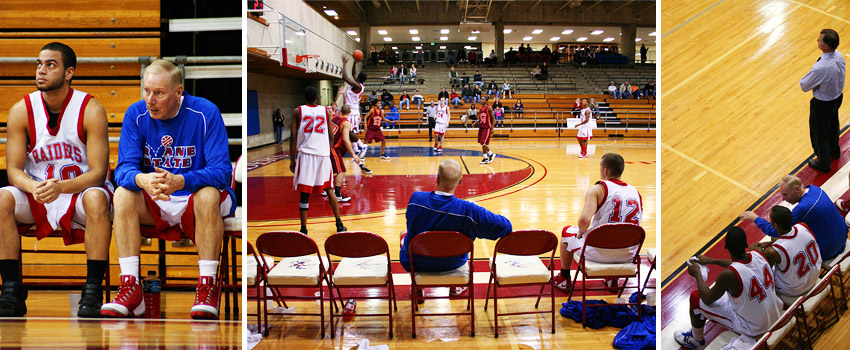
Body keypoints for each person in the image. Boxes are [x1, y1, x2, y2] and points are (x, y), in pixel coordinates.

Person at [105, 59, 238, 319]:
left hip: (196, 197)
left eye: (158, 93)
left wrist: (182, 181)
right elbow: (122, 170)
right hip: (157, 198)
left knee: (209, 193)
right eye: (146, 91)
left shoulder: (205, 112)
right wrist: (142, 180)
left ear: (178, 92)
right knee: (121, 194)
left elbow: (222, 172)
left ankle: (206, 286)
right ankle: (130, 286)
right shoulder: (136, 114)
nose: (149, 100)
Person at [0, 42, 112, 318]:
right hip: (38, 191)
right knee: (1, 197)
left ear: (69, 72)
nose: (41, 70)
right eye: (39, 64)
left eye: (51, 65)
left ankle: (93, 290)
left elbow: (98, 173)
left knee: (98, 197)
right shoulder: (20, 110)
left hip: (79, 192)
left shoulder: (90, 109)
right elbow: (13, 170)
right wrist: (32, 186)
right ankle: (12, 289)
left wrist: (62, 187)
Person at [400, 159, 511, 297]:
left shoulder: (416, 199)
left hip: (417, 262)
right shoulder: (469, 210)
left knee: (404, 233)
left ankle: (416, 286)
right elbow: (505, 227)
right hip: (453, 264)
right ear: (460, 181)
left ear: (437, 178)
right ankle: (455, 285)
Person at [674, 228, 782, 349]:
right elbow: (738, 264)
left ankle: (696, 340)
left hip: (755, 328)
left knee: (695, 298)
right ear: (746, 244)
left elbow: (707, 298)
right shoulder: (758, 253)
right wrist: (711, 261)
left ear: (727, 248)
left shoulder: (728, 275)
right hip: (776, 315)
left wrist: (697, 273)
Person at [553, 153, 643, 291]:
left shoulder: (598, 189)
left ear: (605, 170)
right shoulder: (635, 192)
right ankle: (613, 279)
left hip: (599, 251)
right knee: (617, 234)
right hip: (628, 254)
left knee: (567, 232)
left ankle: (564, 278)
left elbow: (584, 220)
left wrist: (580, 233)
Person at [740, 175, 847, 262]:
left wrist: (755, 218)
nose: (783, 199)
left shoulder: (802, 208)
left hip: (829, 250)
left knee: (776, 248)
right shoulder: (815, 189)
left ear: (797, 189)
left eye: (785, 195)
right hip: (843, 235)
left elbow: (775, 231)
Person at [747, 206, 821, 305]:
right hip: (815, 275)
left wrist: (754, 252)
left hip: (796, 290)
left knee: (758, 279)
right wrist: (771, 243)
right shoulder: (802, 226)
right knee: (774, 239)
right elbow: (794, 242)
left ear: (775, 225)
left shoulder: (773, 251)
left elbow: (764, 272)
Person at [801, 29, 845, 172]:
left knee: (819, 133)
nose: (817, 41)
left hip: (823, 104)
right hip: (837, 98)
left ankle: (823, 163)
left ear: (826, 46)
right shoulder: (839, 56)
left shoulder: (821, 67)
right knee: (833, 126)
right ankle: (834, 150)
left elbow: (804, 85)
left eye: (820, 40)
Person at [341, 55, 371, 173]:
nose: (356, 75)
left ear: (359, 79)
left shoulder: (357, 86)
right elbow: (353, 73)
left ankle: (362, 146)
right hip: (352, 111)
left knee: (349, 132)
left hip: (352, 112)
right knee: (349, 132)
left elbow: (345, 77)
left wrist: (344, 63)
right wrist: (354, 62)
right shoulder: (359, 84)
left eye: (357, 76)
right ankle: (356, 152)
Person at [328, 105, 362, 203]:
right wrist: (353, 154)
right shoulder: (346, 123)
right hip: (333, 148)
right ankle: (337, 194)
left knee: (329, 169)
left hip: (327, 146)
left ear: (341, 111)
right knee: (341, 170)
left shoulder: (334, 119)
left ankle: (325, 189)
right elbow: (346, 140)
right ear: (350, 112)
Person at [477, 99, 496, 165]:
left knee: (484, 142)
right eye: (481, 99)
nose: (481, 100)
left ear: (486, 101)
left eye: (482, 99)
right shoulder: (480, 109)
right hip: (481, 127)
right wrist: (475, 122)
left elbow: (493, 117)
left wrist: (492, 128)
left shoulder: (489, 108)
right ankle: (485, 158)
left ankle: (491, 154)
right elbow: (480, 118)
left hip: (487, 127)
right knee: (482, 143)